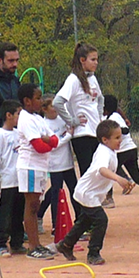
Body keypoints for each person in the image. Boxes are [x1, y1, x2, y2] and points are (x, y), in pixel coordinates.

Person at [55, 120, 135, 265]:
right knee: (100, 220)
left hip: (92, 194)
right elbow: (102, 169)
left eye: (120, 137)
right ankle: (93, 253)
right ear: (105, 140)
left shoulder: (110, 151)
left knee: (85, 221)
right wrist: (118, 179)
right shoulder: (103, 152)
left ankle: (66, 244)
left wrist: (124, 179)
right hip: (87, 193)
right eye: (116, 138)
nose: (120, 140)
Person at [16, 83, 58, 260]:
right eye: (38, 98)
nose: (41, 101)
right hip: (30, 166)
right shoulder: (25, 119)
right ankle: (33, 246)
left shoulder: (38, 119)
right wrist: (48, 141)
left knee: (36, 205)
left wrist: (48, 140)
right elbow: (39, 146)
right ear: (27, 101)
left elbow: (54, 140)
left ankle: (37, 244)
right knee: (31, 206)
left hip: (40, 167)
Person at [54, 42, 103, 183]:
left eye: (96, 59)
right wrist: (72, 121)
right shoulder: (73, 80)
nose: (96, 63)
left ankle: (94, 201)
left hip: (95, 132)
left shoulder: (92, 78)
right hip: (82, 134)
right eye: (93, 59)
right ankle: (86, 204)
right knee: (87, 173)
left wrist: (99, 118)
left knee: (98, 170)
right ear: (82, 60)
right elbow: (57, 102)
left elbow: (100, 98)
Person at [103, 94, 139, 204]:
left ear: (106, 107)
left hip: (122, 151)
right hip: (131, 149)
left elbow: (125, 130)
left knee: (108, 173)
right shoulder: (112, 116)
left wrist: (115, 130)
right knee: (137, 177)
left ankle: (109, 199)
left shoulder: (114, 117)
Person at [0, 100, 26, 257]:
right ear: (8, 115)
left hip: (20, 180)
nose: (20, 117)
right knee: (5, 213)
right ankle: (1, 243)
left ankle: (17, 242)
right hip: (8, 180)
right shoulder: (0, 135)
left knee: (19, 212)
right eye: (18, 114)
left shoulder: (19, 134)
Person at [38, 93, 78, 236]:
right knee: (56, 192)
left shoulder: (62, 119)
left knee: (74, 190)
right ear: (45, 109)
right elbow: (54, 144)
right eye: (53, 109)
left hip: (67, 162)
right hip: (54, 164)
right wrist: (68, 135)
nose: (55, 112)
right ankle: (56, 225)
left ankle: (79, 221)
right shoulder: (44, 125)